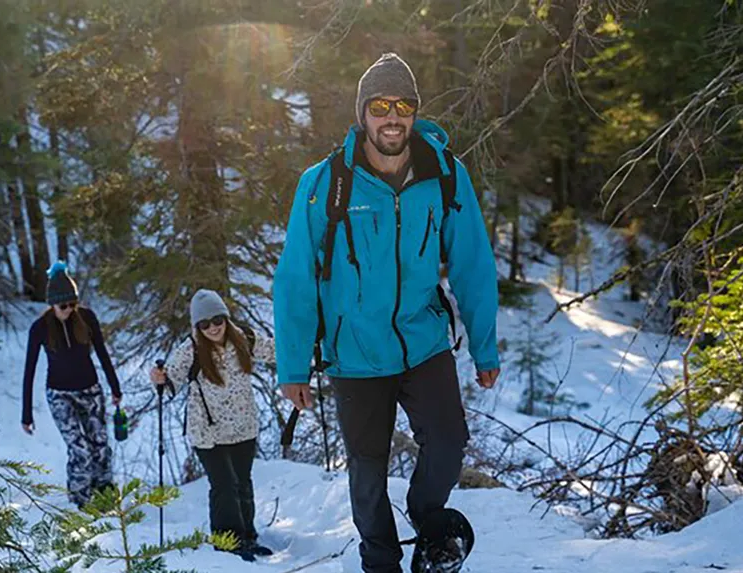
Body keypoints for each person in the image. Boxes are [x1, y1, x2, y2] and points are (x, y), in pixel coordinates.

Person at [272, 53, 501, 573]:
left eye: (404, 105)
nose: (392, 116)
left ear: (415, 112)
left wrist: (485, 346)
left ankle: (427, 519)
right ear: (362, 114)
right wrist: (292, 367)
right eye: (380, 105)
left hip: (423, 340)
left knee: (448, 442)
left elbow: (472, 262)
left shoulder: (444, 174)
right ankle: (380, 563)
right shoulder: (324, 184)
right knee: (368, 473)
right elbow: (294, 279)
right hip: (354, 351)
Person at [148, 289, 275, 562]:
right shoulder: (191, 349)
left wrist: (303, 347)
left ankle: (247, 537)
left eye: (217, 320)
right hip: (208, 432)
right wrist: (158, 378)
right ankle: (227, 542)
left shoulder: (245, 337)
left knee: (242, 483)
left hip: (243, 426)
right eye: (204, 324)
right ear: (197, 326)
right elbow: (170, 379)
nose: (212, 328)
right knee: (224, 485)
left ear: (225, 318)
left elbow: (276, 351)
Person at [21, 261, 123, 509]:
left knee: (100, 444)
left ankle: (105, 493)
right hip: (60, 395)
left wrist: (115, 388)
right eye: (63, 305)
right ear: (52, 304)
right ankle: (80, 498)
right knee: (80, 448)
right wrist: (26, 414)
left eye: (72, 304)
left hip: (90, 390)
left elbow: (102, 353)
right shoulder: (40, 328)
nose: (69, 309)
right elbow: (30, 370)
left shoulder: (86, 318)